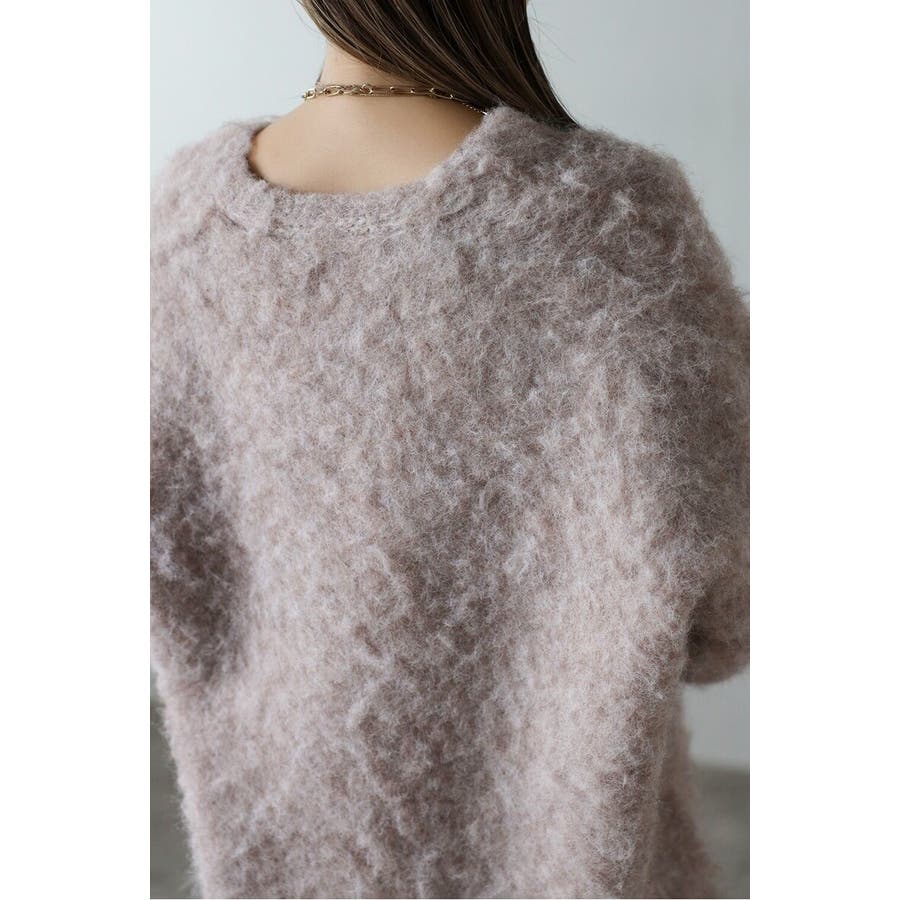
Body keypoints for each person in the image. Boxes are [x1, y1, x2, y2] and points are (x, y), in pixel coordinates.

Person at [150, 2, 749, 897]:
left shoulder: (182, 227)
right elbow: (729, 620)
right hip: (574, 861)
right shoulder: (617, 223)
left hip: (288, 853)